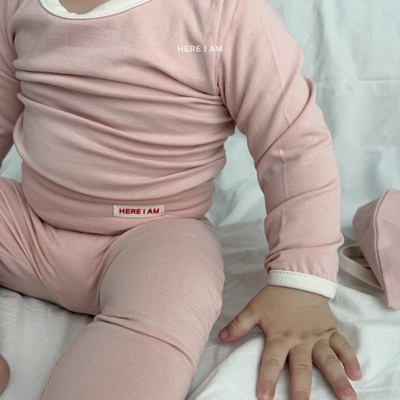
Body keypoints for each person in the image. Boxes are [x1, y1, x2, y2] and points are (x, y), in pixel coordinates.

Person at [0, 0, 362, 399]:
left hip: (157, 237)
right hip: (27, 228)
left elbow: (291, 143)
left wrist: (302, 282)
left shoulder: (222, 13)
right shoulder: (17, 7)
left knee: (172, 298)